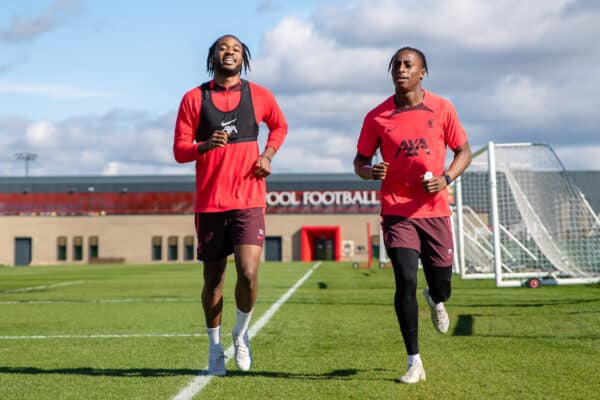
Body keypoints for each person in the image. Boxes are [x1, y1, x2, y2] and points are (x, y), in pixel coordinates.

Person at [353, 47, 471, 384]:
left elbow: (463, 151)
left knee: (442, 285)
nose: (401, 69)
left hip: (435, 213)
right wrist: (369, 171)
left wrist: (446, 178)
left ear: (423, 73)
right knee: (405, 278)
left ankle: (435, 298)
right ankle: (413, 361)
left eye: (408, 65)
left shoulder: (443, 108)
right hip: (397, 211)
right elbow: (359, 161)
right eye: (396, 65)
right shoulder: (376, 117)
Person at [173, 34, 288, 376]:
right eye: (223, 48)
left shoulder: (260, 96)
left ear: (244, 57)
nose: (230, 53)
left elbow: (280, 126)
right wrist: (205, 145)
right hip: (210, 203)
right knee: (214, 280)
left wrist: (267, 155)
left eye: (236, 49)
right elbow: (179, 150)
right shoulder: (194, 98)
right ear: (213, 56)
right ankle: (213, 348)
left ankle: (240, 333)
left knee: (249, 274)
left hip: (249, 200)